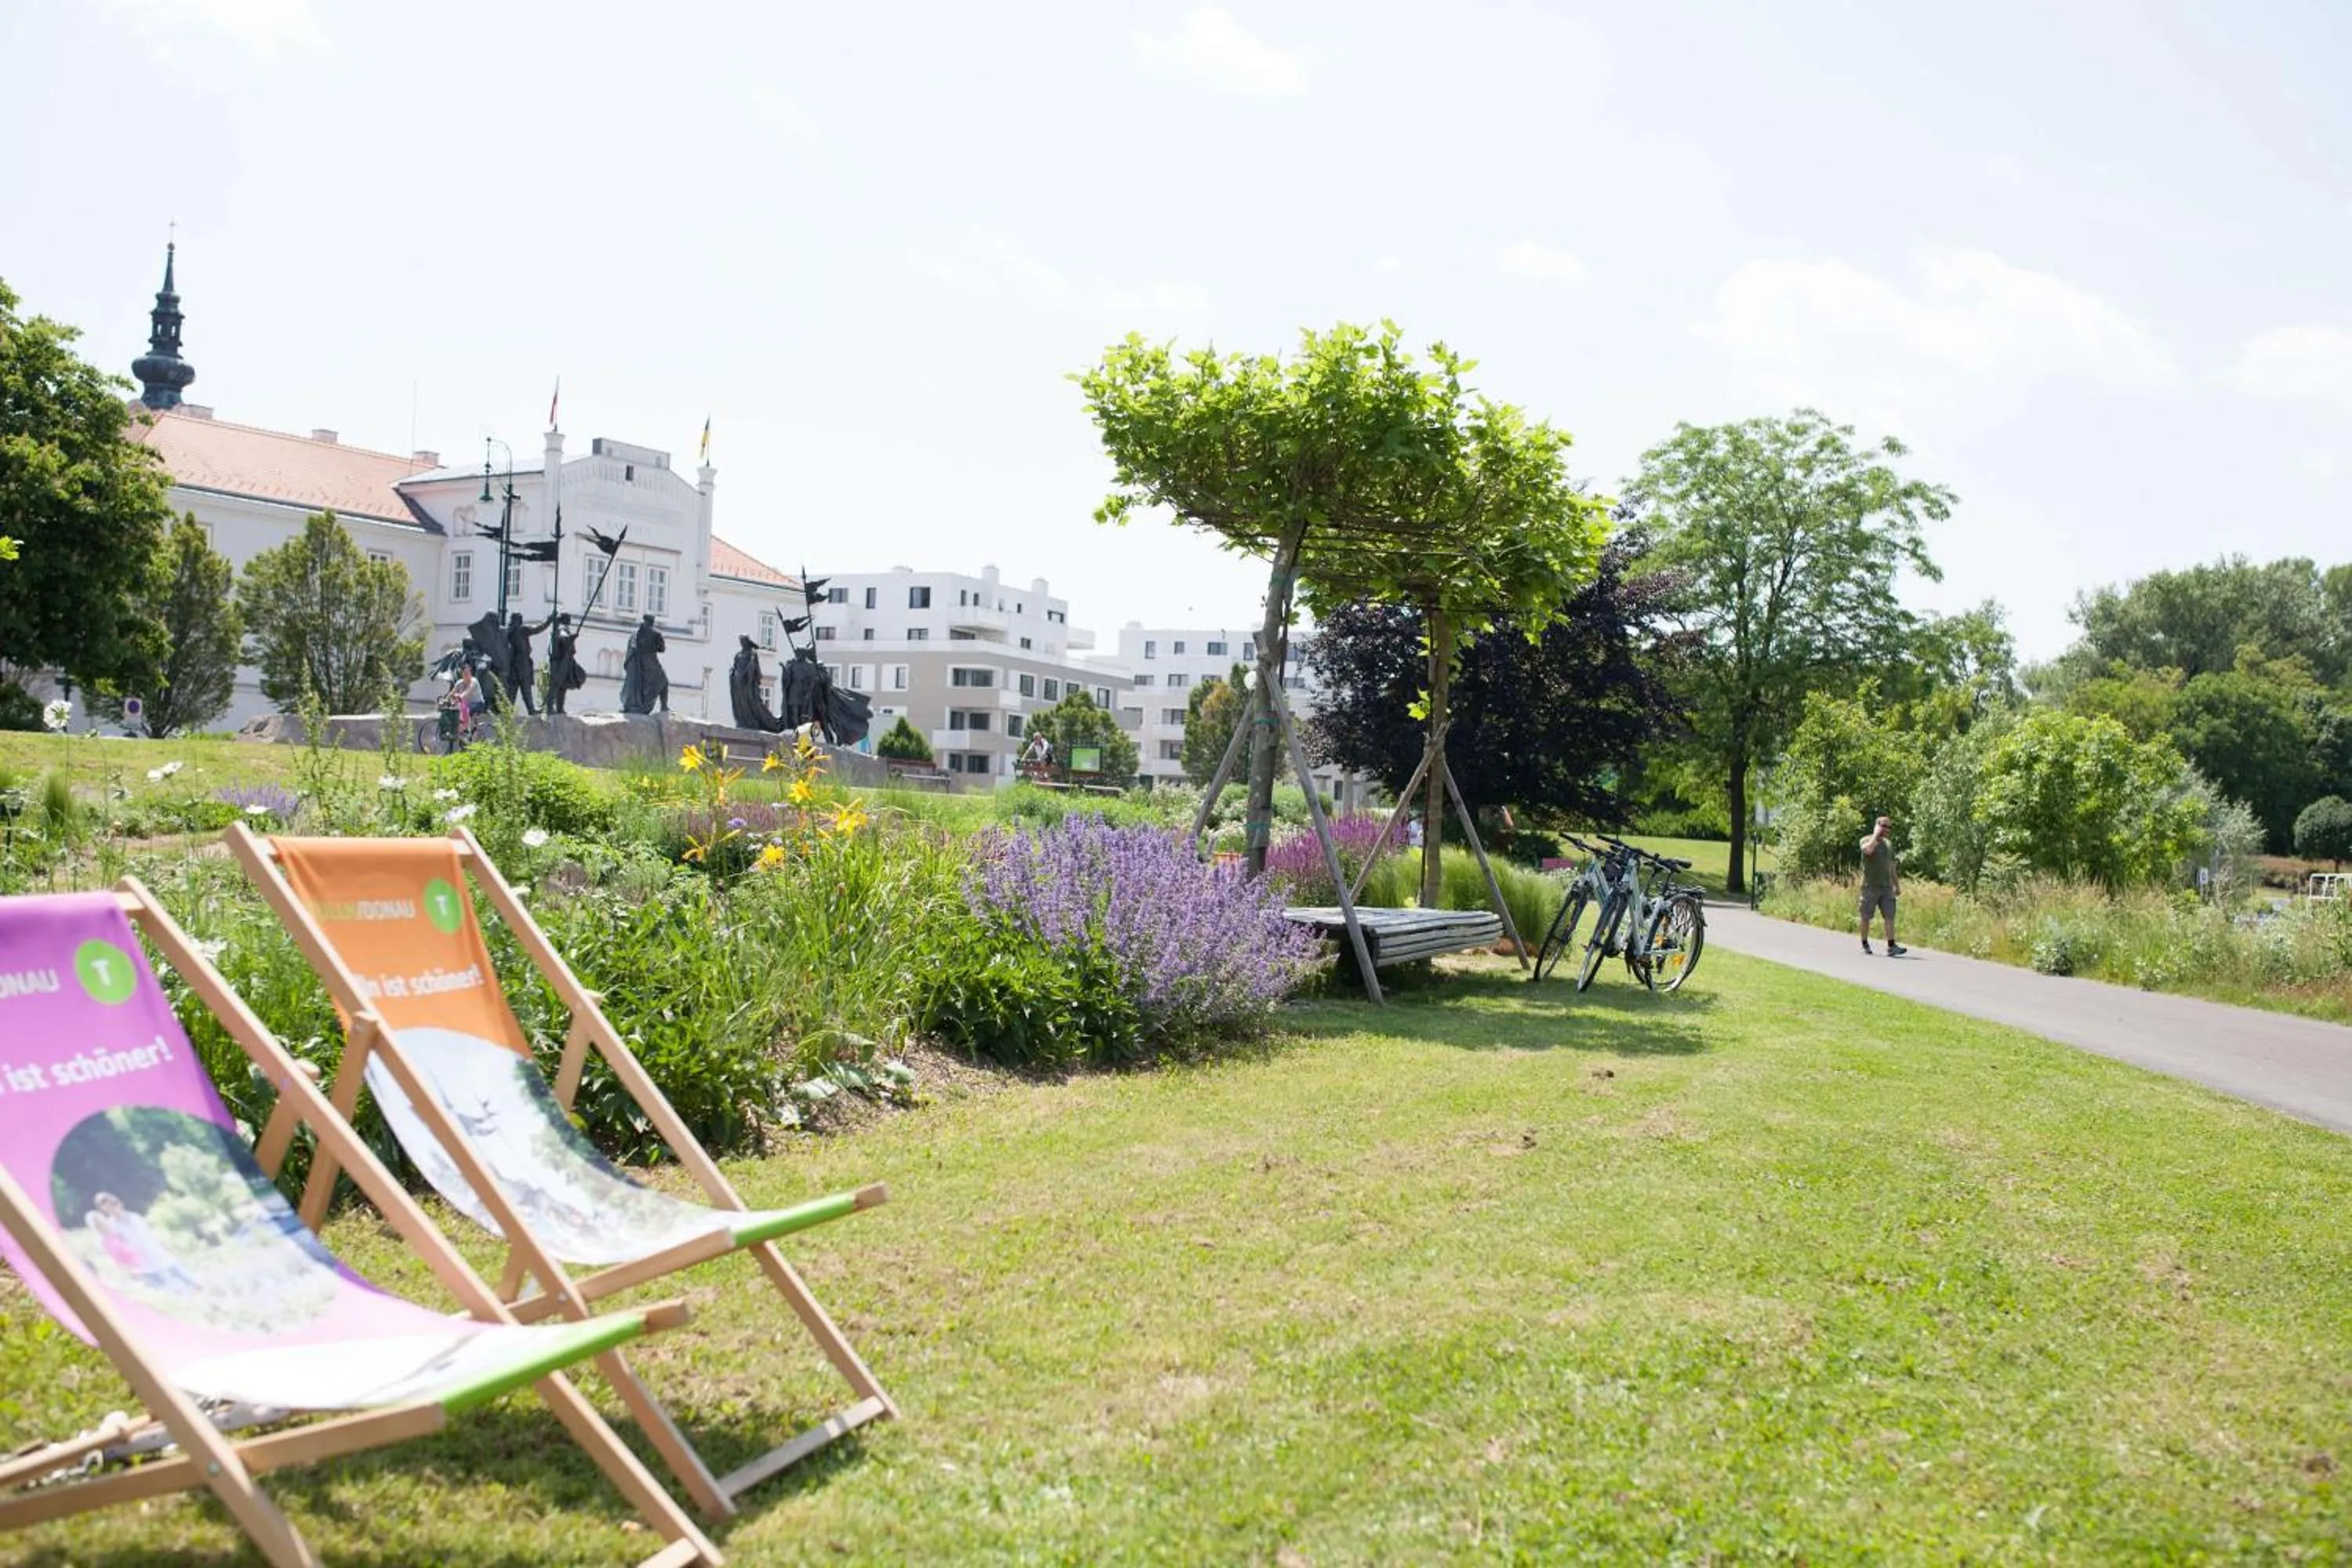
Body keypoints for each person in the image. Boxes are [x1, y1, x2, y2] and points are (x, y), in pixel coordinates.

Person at [1859, 814, 1905, 956]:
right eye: (1884, 826)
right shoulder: (1866, 840)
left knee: (1890, 916)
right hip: (1870, 886)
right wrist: (1875, 836)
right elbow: (1868, 850)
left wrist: (1897, 885)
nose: (1886, 829)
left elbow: (1891, 866)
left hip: (1886, 887)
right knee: (1866, 916)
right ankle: (1865, 943)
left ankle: (1891, 946)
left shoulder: (1888, 844)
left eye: (1889, 827)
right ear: (1877, 826)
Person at [544, 614, 586, 714]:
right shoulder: (561, 629)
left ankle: (560, 708)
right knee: (556, 684)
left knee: (563, 685)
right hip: (560, 662)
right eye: (569, 618)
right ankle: (550, 707)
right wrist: (571, 637)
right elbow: (563, 638)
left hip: (566, 661)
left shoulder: (561, 629)